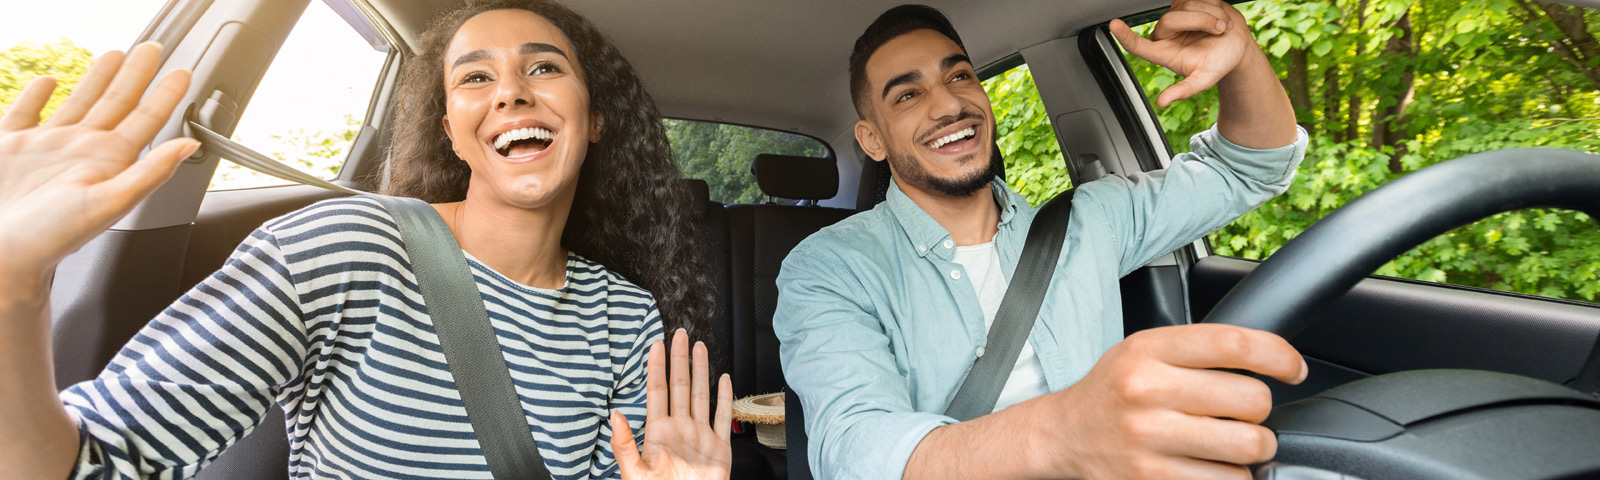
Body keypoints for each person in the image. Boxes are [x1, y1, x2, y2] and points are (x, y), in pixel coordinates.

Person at [0, 1, 734, 479]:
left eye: (544, 66)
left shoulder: (626, 314)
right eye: (475, 78)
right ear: (453, 132)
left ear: (595, 118)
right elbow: (88, 463)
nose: (511, 91)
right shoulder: (339, 249)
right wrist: (14, 287)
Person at [775, 1, 1312, 478]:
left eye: (959, 76)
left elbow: (1249, 169)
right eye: (908, 94)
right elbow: (854, 452)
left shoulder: (1092, 218)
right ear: (872, 140)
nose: (947, 106)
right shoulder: (828, 268)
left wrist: (1241, 60)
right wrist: (1064, 432)